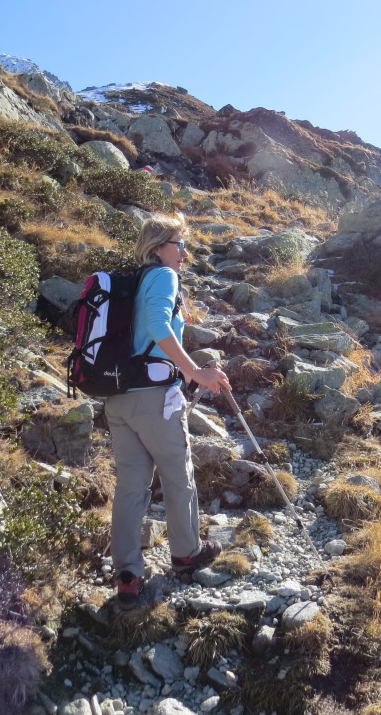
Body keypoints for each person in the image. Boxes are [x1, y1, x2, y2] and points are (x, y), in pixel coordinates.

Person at [105, 212, 232, 609]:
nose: (185, 254)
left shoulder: (134, 281)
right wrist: (196, 372)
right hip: (154, 398)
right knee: (178, 475)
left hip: (118, 398)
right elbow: (160, 327)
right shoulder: (163, 276)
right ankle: (187, 553)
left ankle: (127, 574)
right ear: (159, 246)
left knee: (131, 486)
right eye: (180, 245)